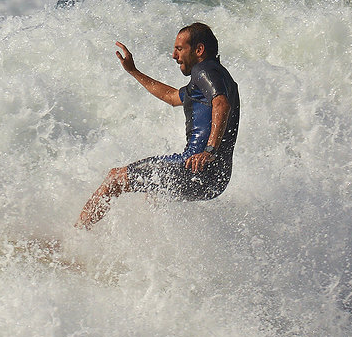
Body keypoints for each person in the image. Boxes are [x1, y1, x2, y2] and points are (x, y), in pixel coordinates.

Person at [77, 22, 240, 229]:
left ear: (199, 50)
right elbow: (172, 96)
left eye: (180, 49)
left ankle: (75, 238)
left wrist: (209, 150)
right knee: (153, 195)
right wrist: (133, 71)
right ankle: (151, 252)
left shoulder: (203, 70)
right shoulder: (218, 78)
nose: (174, 55)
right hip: (217, 179)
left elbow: (221, 103)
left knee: (115, 178)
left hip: (194, 167)